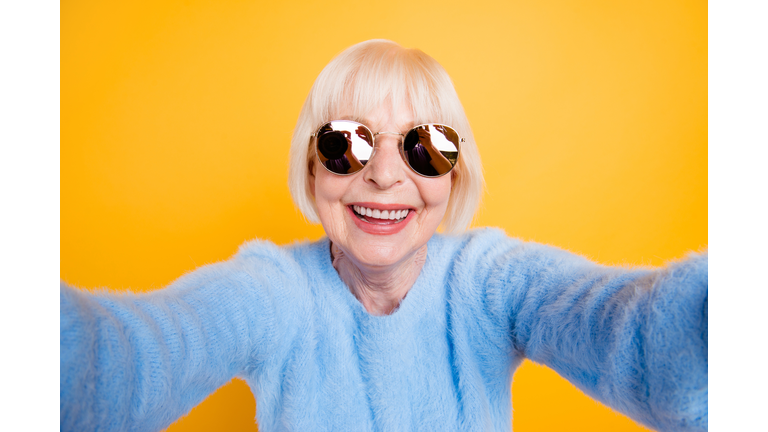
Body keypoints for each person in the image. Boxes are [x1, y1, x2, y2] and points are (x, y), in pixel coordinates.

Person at [60, 39, 708, 432]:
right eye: (347, 142)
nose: (385, 174)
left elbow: (630, 333)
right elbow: (132, 358)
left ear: (456, 178)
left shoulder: (486, 281)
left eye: (425, 147)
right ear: (312, 166)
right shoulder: (273, 291)